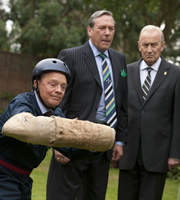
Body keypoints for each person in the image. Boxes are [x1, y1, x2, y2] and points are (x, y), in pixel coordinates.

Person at [46, 10, 128, 200]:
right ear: (90, 30)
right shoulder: (70, 56)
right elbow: (59, 102)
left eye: (111, 28)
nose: (107, 32)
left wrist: (120, 140)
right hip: (72, 145)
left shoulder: (119, 60)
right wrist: (60, 144)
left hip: (103, 147)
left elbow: (122, 102)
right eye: (102, 28)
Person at [117, 25, 180, 200]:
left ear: (163, 45)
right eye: (145, 45)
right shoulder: (126, 72)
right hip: (129, 154)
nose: (149, 50)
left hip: (158, 154)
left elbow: (178, 116)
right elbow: (120, 111)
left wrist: (175, 153)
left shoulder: (176, 74)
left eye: (154, 45)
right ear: (139, 46)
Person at [0, 58, 71, 200]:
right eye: (53, 84)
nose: (58, 90)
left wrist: (96, 145)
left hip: (24, 180)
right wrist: (57, 133)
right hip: (3, 176)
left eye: (63, 87)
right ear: (36, 84)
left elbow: (70, 149)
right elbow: (24, 124)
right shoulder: (21, 103)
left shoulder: (57, 114)